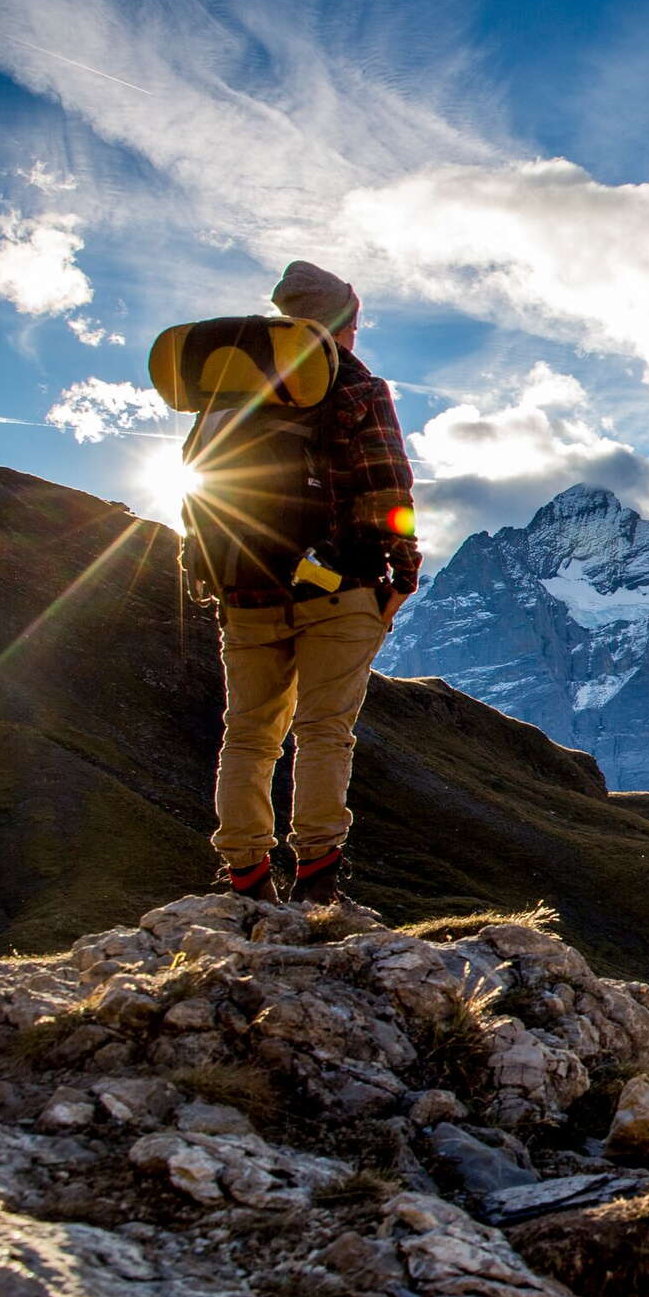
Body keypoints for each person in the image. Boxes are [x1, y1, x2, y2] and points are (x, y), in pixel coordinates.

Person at [200, 260, 420, 905]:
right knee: (324, 730)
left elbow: (203, 485)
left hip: (245, 588)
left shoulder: (231, 388)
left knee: (247, 734)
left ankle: (244, 876)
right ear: (345, 322)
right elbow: (388, 487)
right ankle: (318, 881)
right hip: (339, 586)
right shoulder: (356, 385)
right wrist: (401, 574)